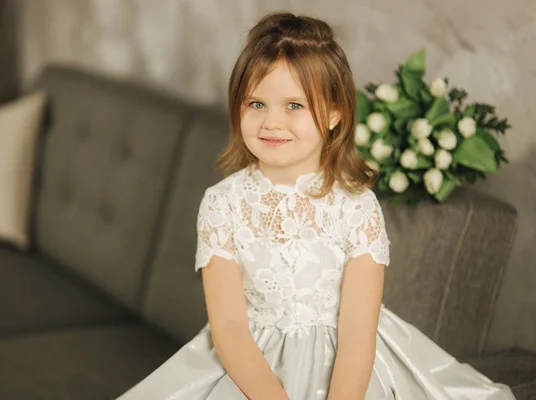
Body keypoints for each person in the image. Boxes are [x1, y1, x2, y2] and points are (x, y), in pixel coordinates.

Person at [116, 12, 516, 400]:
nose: (272, 121)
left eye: (294, 105)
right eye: (256, 104)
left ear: (335, 113)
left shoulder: (357, 207)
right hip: (248, 368)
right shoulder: (223, 204)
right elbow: (229, 327)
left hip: (349, 366)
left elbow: (359, 329)